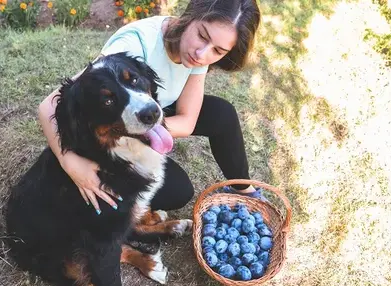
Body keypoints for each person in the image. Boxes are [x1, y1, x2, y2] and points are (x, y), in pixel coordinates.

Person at [38, 0, 263, 214]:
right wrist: (70, 162)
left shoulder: (197, 55)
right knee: (178, 191)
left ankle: (244, 189)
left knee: (222, 114)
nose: (202, 54)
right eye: (202, 36)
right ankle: (123, 223)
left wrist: (150, 129)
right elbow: (48, 106)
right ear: (191, 15)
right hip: (116, 120)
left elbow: (187, 120)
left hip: (149, 111)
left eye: (218, 51)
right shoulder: (133, 44)